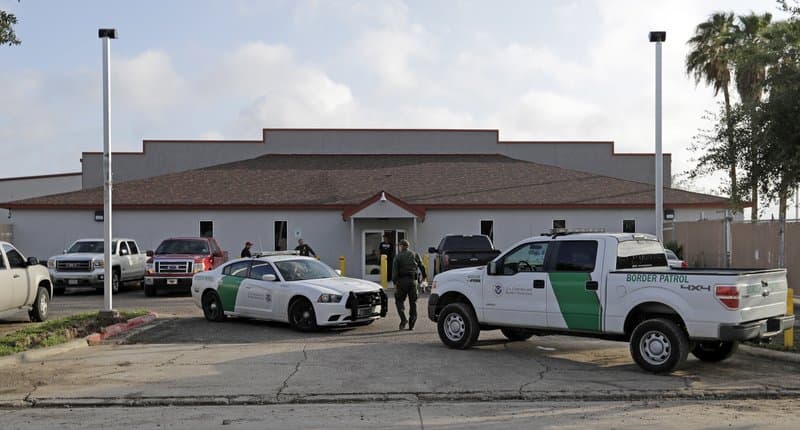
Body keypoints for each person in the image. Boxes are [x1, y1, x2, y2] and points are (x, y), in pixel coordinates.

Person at [392, 239, 427, 331]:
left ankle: (403, 320)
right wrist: (424, 277)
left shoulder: (398, 257)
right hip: (413, 282)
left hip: (401, 282)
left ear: (401, 246)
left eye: (399, 246)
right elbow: (422, 266)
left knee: (399, 301)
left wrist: (395, 282)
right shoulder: (415, 254)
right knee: (413, 303)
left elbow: (395, 272)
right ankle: (412, 324)